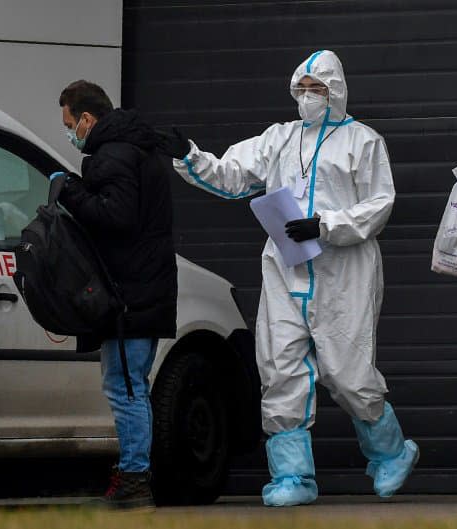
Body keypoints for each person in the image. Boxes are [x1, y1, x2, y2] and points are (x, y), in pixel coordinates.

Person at [154, 50, 419, 507]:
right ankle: (292, 475)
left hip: (345, 272)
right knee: (280, 367)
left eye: (317, 89)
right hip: (285, 267)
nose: (308, 97)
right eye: (302, 88)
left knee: (348, 372)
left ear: (335, 91)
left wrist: (325, 225)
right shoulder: (279, 139)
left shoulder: (363, 141)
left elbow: (379, 204)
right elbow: (233, 175)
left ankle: (392, 453)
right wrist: (190, 156)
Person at [52, 80, 178, 507]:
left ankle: (135, 480)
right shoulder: (138, 148)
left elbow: (116, 216)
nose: (70, 133)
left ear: (87, 119)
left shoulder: (114, 155)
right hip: (144, 287)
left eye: (70, 124)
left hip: (129, 294)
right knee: (131, 385)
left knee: (125, 387)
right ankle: (133, 475)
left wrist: (70, 190)